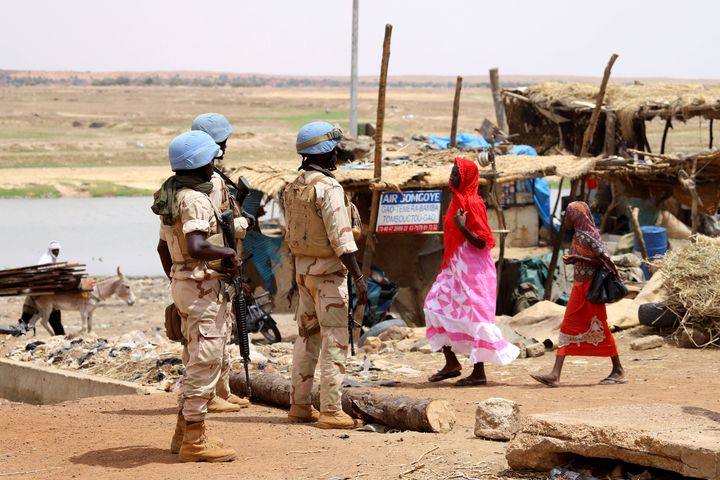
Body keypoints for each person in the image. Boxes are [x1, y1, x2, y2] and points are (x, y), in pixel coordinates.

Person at [153, 130, 239, 462]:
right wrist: (228, 252)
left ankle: (181, 434)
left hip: (185, 284)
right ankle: (194, 440)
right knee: (205, 361)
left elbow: (164, 248)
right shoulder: (196, 199)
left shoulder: (171, 195)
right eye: (211, 160)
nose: (213, 166)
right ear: (202, 163)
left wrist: (179, 278)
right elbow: (197, 246)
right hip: (202, 289)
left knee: (194, 358)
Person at [282, 121, 367, 429]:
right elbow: (342, 239)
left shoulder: (294, 186)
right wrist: (358, 276)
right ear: (327, 152)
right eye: (335, 151)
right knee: (335, 341)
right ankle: (331, 410)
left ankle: (300, 405)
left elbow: (292, 235)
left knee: (306, 339)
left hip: (303, 273)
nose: (337, 157)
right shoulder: (328, 188)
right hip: (330, 276)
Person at [424, 158, 519, 386]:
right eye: (452, 172)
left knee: (475, 317)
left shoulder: (473, 202)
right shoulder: (455, 200)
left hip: (474, 271)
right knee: (433, 306)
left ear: (467, 177)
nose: (453, 176)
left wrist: (462, 227)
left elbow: (483, 242)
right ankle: (452, 363)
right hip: (455, 267)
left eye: (457, 173)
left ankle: (479, 372)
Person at [530, 201, 626, 388]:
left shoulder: (588, 236)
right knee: (569, 326)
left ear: (576, 217)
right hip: (579, 287)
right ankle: (555, 375)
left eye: (568, 215)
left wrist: (578, 259)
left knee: (600, 328)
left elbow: (606, 263)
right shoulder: (578, 235)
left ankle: (618, 370)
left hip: (590, 289)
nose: (565, 219)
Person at [191, 113, 250, 414]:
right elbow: (214, 227)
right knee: (210, 336)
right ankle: (208, 396)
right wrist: (242, 225)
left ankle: (221, 390)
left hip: (216, 264)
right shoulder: (208, 182)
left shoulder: (207, 176)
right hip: (212, 264)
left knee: (222, 330)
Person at [19, 241, 65, 335]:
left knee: (55, 320)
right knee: (26, 318)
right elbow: (41, 276)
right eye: (54, 250)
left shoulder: (57, 261)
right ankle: (15, 335)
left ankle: (60, 337)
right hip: (39, 294)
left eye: (57, 250)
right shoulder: (44, 261)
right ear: (50, 250)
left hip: (51, 296)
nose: (56, 252)